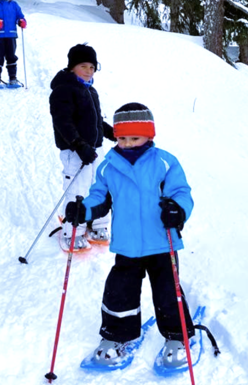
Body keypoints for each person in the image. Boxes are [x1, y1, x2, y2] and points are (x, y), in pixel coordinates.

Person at [64, 102, 195, 369]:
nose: (127, 143)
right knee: (119, 291)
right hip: (127, 245)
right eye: (122, 138)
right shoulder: (108, 166)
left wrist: (177, 210)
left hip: (162, 242)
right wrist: (83, 210)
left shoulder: (165, 162)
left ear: (149, 135)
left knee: (168, 291)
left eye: (134, 137)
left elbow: (182, 192)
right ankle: (116, 336)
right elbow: (99, 197)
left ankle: (177, 336)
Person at [49, 44, 116, 252]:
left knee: (101, 185)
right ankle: (72, 231)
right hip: (75, 152)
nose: (89, 71)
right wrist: (79, 145)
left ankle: (98, 223)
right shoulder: (63, 91)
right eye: (84, 66)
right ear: (71, 68)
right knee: (77, 189)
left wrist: (110, 132)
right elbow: (63, 123)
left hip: (95, 149)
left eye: (92, 67)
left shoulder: (90, 91)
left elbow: (95, 121)